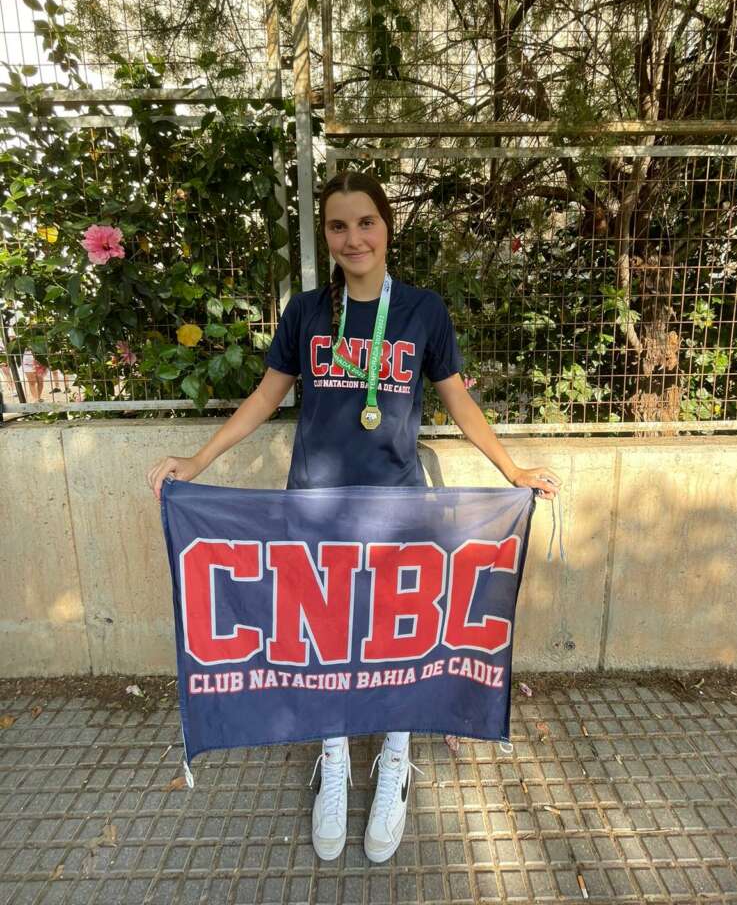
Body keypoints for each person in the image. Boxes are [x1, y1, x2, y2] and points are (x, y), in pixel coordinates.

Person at [146, 170, 561, 863]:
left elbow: (457, 399)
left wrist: (511, 471)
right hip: (316, 509)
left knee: (397, 640)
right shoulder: (307, 311)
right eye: (338, 226)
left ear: (387, 227)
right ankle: (334, 760)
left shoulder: (423, 310)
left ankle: (396, 758)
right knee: (327, 640)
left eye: (365, 222)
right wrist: (197, 459)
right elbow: (266, 395)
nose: (353, 238)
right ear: (327, 235)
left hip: (396, 511)